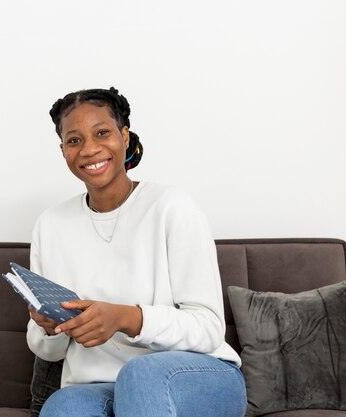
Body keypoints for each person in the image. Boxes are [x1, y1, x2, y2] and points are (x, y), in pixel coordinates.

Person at [26, 87, 246, 417]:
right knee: (64, 407)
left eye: (102, 133)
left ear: (124, 136)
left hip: (198, 375)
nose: (89, 149)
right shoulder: (50, 224)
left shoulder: (173, 207)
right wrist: (48, 326)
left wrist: (126, 318)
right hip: (97, 383)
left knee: (140, 376)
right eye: (74, 140)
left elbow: (208, 327)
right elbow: (47, 350)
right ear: (63, 151)